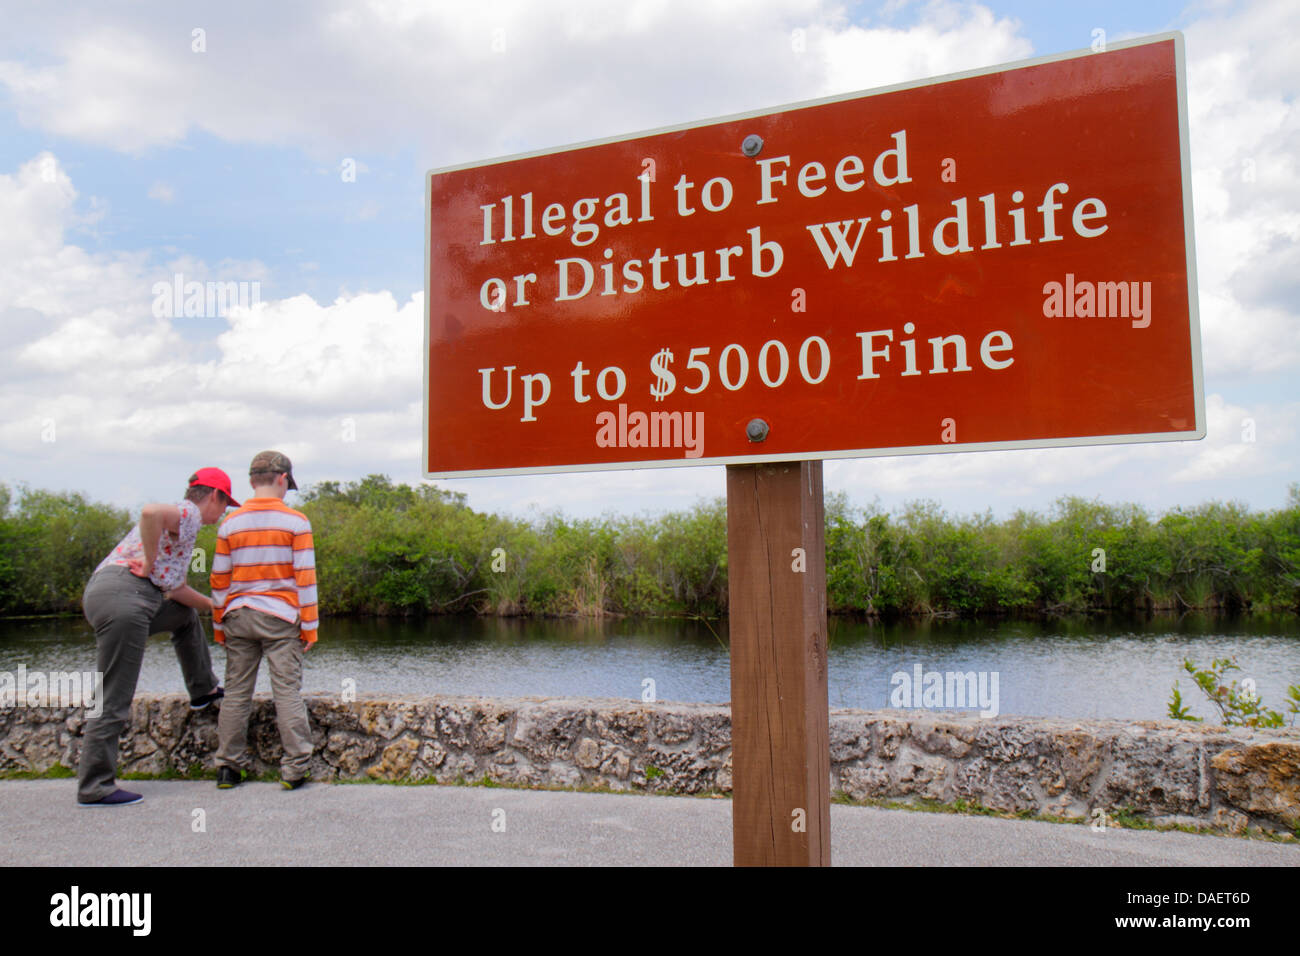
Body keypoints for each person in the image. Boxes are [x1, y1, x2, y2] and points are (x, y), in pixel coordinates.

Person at [77, 468, 237, 807]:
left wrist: (215, 607)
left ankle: (203, 689)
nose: (221, 515)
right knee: (114, 694)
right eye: (224, 507)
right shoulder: (190, 513)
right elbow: (150, 512)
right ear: (215, 496)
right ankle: (96, 785)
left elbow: (176, 590)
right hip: (127, 597)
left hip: (119, 596)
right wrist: (149, 562)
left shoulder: (184, 530)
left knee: (184, 616)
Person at [211, 450, 318, 790]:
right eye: (288, 484)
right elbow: (305, 578)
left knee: (236, 694)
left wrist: (218, 625)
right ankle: (295, 768)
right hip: (280, 616)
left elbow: (219, 579)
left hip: (238, 615)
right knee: (286, 691)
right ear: (282, 479)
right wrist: (310, 627)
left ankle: (228, 767)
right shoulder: (296, 522)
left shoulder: (230, 523)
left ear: (252, 481)